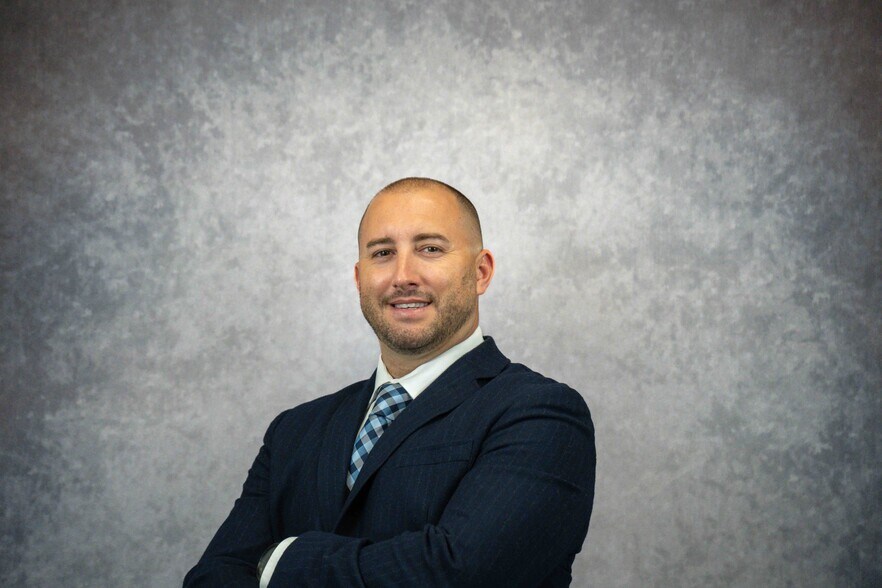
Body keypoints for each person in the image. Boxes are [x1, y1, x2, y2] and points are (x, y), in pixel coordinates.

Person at [183, 177, 596, 587]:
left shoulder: (541, 415)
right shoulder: (293, 431)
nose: (403, 276)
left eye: (430, 249)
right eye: (383, 253)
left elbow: (459, 573)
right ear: (359, 278)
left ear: (480, 272)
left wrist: (281, 563)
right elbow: (211, 579)